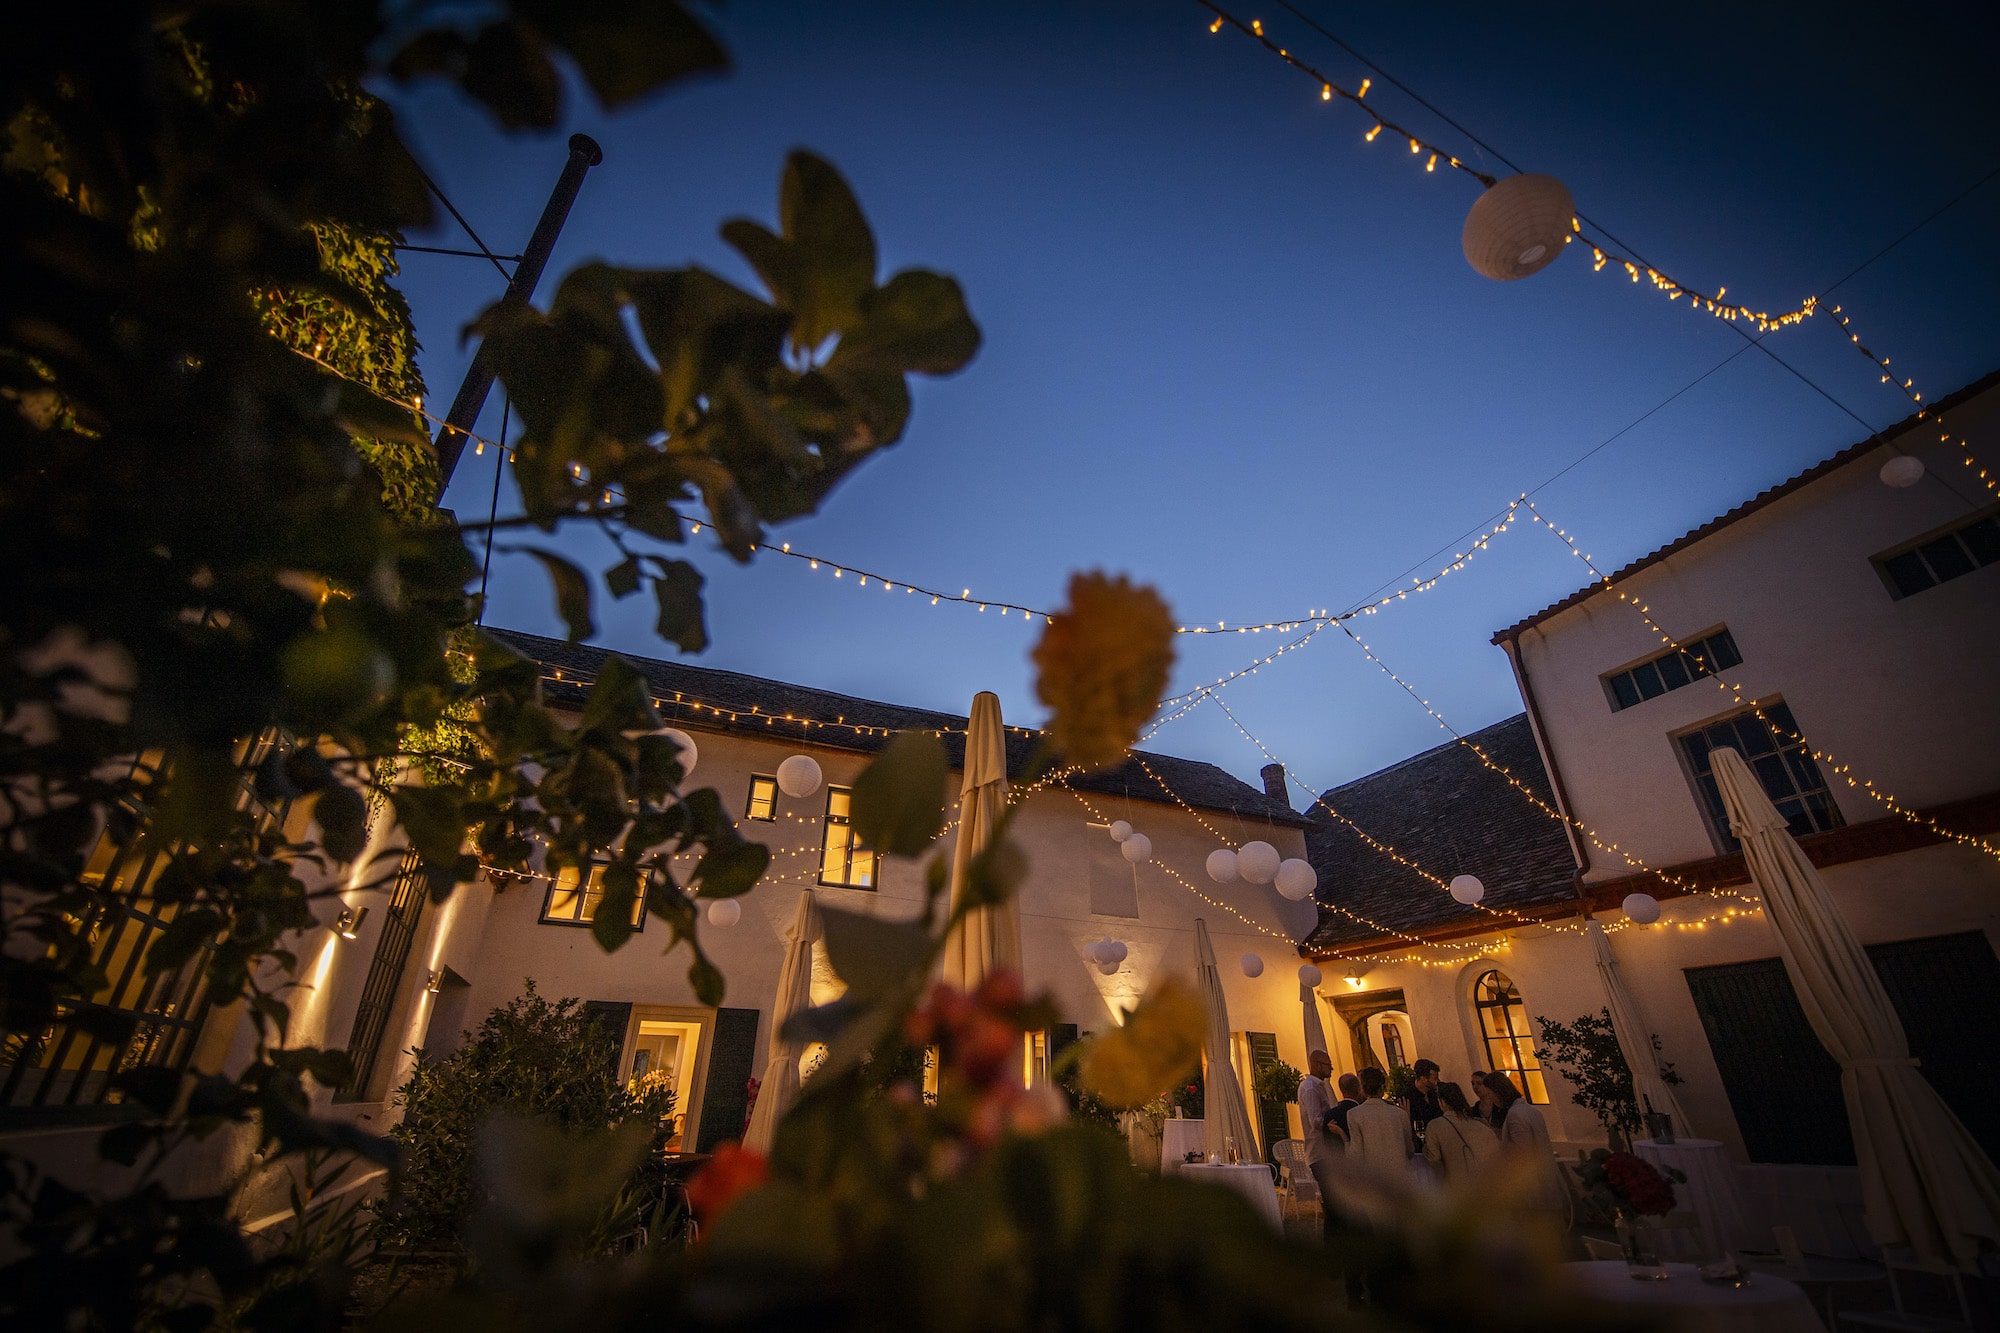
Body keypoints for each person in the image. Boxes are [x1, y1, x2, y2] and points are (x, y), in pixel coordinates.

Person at [1486, 1071, 1567, 1218]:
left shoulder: (1516, 1115)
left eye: (1490, 1094)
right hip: (1544, 1181)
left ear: (1499, 1092)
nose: (1490, 1099)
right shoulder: (1531, 1111)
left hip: (1532, 1188)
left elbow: (1522, 1152)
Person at [1344, 1066, 1415, 1183]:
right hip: (1401, 1180)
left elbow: (1356, 1155)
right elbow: (1410, 1151)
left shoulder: (1354, 1115)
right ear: (1382, 1087)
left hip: (1376, 1180)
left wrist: (1345, 1141)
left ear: (1362, 1088)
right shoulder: (1400, 1114)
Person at [1295, 1050, 1345, 1210]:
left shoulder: (1318, 1086)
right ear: (1317, 1065)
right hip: (1319, 1153)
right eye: (1328, 1065)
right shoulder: (1310, 1088)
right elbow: (1315, 1120)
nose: (1331, 1069)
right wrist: (1334, 1124)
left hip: (1324, 1152)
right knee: (1332, 1202)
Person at [1421, 1081, 1499, 1183]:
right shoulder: (1481, 1125)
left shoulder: (1436, 1126)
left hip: (1458, 1188)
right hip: (1486, 1186)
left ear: (1442, 1102)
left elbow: (1434, 1160)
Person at [1398, 1058, 1442, 1138]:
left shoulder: (1435, 1094)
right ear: (1423, 1079)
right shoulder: (1407, 1098)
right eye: (1435, 1078)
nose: (1438, 1081)